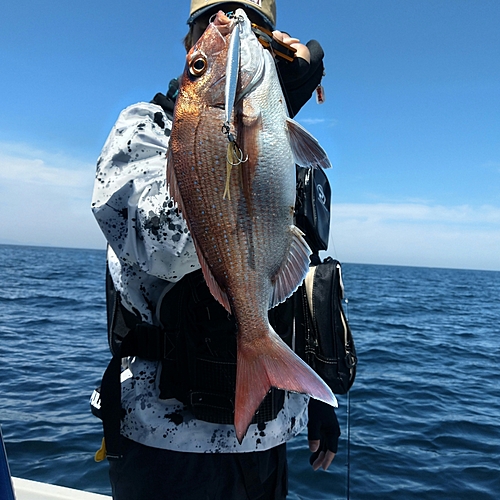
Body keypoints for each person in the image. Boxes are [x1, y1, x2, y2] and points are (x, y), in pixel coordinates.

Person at [91, 1, 340, 498]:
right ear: (189, 47)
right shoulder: (146, 127)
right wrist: (225, 141)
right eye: (213, 22)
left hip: (269, 438)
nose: (231, 28)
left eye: (254, 27)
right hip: (167, 441)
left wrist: (319, 402)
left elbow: (304, 279)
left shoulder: (289, 152)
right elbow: (154, 241)